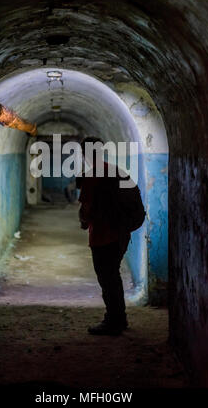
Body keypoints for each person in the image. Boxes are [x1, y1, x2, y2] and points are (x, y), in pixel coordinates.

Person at [78, 137, 131, 336]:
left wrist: (84, 222)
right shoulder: (117, 171)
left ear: (85, 154)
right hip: (121, 234)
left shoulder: (92, 176)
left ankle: (114, 320)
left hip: (102, 236)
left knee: (107, 279)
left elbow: (86, 210)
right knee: (113, 277)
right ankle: (120, 318)